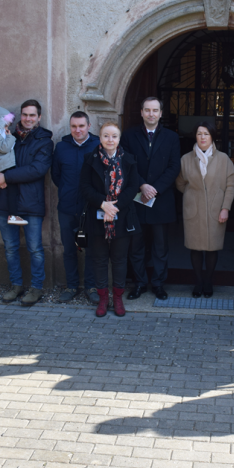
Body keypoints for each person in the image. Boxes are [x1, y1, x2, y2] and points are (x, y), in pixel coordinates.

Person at [0, 99, 54, 307]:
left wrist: (6, 177)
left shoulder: (45, 141)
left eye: (32, 115)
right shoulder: (7, 136)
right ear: (20, 115)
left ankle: (36, 288)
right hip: (5, 200)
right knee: (10, 247)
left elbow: (37, 170)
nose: (28, 119)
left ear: (39, 117)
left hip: (30, 203)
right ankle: (16, 285)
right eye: (25, 114)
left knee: (35, 248)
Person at [121, 97, 181, 301]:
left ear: (161, 113)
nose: (151, 114)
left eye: (155, 110)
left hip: (161, 200)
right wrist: (142, 185)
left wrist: (155, 188)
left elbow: (174, 167)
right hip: (136, 200)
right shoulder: (128, 136)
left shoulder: (172, 137)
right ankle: (139, 284)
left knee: (160, 247)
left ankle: (158, 284)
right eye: (147, 110)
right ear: (141, 112)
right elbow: (126, 164)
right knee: (136, 246)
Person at [80, 121, 141, 317]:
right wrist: (103, 204)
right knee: (99, 259)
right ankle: (103, 299)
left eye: (114, 136)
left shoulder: (129, 160)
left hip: (121, 216)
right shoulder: (90, 159)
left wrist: (114, 207)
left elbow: (133, 187)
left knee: (119, 260)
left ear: (119, 138)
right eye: (106, 135)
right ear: (100, 137)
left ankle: (118, 298)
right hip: (97, 216)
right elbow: (85, 187)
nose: (110, 139)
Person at [175, 121, 234, 297]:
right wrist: (192, 196)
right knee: (195, 248)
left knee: (212, 248)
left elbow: (231, 185)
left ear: (212, 136)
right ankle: (198, 282)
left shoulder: (223, 159)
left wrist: (225, 207)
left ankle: (208, 281)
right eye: (199, 134)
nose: (202, 137)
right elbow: (179, 182)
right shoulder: (186, 159)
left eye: (206, 134)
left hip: (216, 210)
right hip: (193, 210)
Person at [51, 111, 100, 304]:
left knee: (91, 249)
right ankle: (71, 286)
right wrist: (66, 191)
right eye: (74, 126)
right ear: (70, 127)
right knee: (69, 249)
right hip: (67, 207)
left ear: (89, 126)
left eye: (81, 126)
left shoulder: (98, 145)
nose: (77, 130)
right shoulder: (61, 147)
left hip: (91, 208)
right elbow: (56, 175)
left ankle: (91, 286)